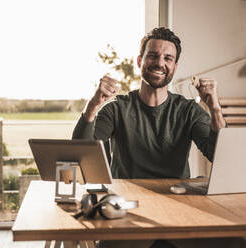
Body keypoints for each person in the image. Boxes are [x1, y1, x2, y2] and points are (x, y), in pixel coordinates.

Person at [72, 27, 227, 248]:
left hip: (177, 208)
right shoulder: (117, 109)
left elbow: (221, 157)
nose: (159, 62)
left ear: (174, 67)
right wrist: (93, 105)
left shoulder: (188, 111)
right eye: (153, 55)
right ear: (139, 60)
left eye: (168, 58)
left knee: (230, 241)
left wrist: (215, 109)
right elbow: (80, 152)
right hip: (126, 209)